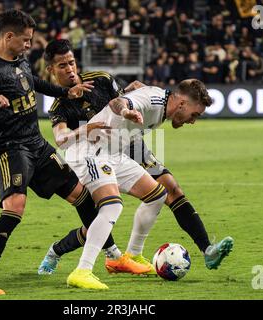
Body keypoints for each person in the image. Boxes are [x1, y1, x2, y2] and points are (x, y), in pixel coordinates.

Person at [0, 9, 127, 295]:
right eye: (26, 40)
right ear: (9, 37)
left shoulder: (20, 60)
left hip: (37, 145)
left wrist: (65, 93)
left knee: (81, 194)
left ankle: (113, 256)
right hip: (12, 149)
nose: (30, 45)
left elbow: (34, 83)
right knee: (15, 207)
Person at [38, 39, 234, 282]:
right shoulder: (60, 104)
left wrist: (133, 97)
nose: (69, 69)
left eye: (71, 63)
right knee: (104, 213)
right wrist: (120, 112)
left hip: (124, 142)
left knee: (163, 192)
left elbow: (123, 97)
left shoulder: (100, 78)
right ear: (51, 70)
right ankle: (74, 263)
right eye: (62, 65)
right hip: (90, 150)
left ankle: (137, 255)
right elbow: (66, 135)